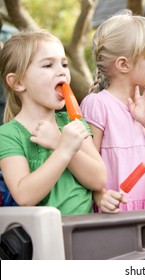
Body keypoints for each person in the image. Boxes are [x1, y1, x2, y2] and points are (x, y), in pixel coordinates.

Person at [80, 10, 145, 260]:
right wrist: (99, 194)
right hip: (118, 215)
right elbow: (86, 162)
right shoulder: (97, 105)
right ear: (123, 64)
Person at [0, 30, 106, 215]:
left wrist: (58, 141)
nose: (62, 72)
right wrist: (63, 149)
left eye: (64, 64)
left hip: (85, 229)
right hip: (43, 235)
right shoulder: (7, 135)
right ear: (17, 82)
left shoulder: (73, 122)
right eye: (48, 65)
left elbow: (99, 179)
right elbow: (24, 196)